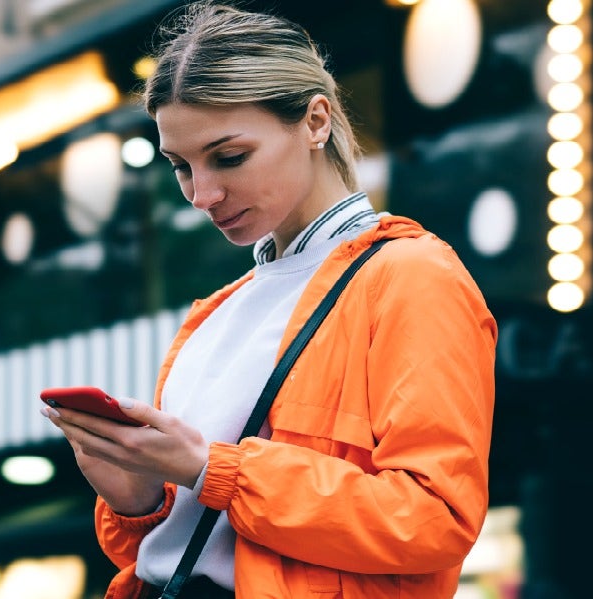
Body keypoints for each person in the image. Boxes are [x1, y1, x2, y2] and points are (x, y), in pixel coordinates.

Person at [41, 2, 497, 597]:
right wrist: (136, 495)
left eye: (229, 157)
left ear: (314, 122)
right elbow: (162, 547)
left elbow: (434, 517)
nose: (202, 195)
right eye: (180, 167)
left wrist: (211, 469)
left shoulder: (411, 276)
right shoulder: (214, 313)